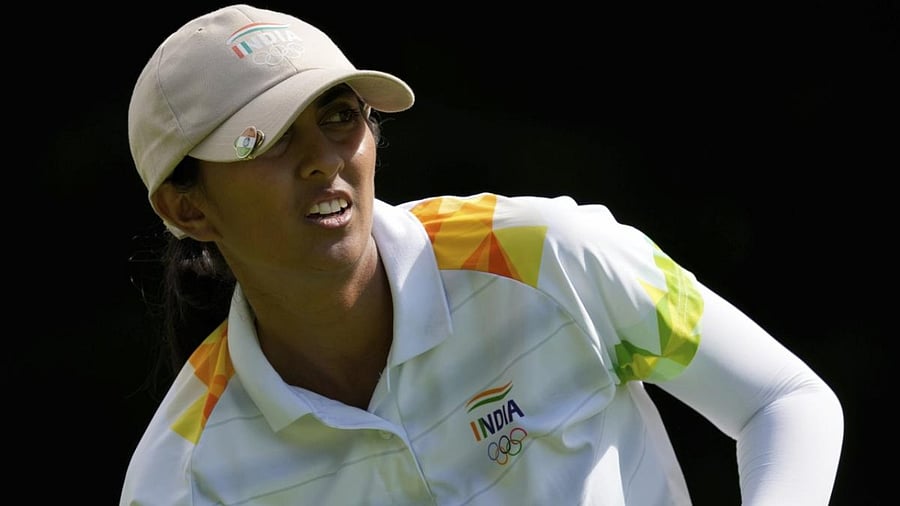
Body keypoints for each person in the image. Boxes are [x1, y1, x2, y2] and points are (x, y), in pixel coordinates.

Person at [120, 4, 844, 505]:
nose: (322, 160)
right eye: (265, 139)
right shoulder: (181, 477)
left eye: (339, 116)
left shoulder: (540, 253)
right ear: (187, 207)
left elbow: (784, 402)